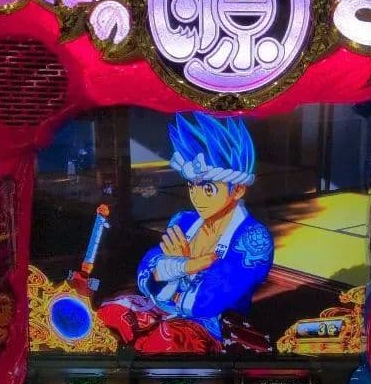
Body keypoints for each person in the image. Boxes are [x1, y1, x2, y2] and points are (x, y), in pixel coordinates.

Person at [98, 112, 274, 354]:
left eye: (208, 189)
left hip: (214, 326)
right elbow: (146, 267)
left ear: (238, 190)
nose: (197, 197)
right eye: (192, 186)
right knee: (110, 312)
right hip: (162, 310)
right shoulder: (184, 220)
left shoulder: (254, 239)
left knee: (168, 340)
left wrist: (174, 268)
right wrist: (184, 266)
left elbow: (207, 302)